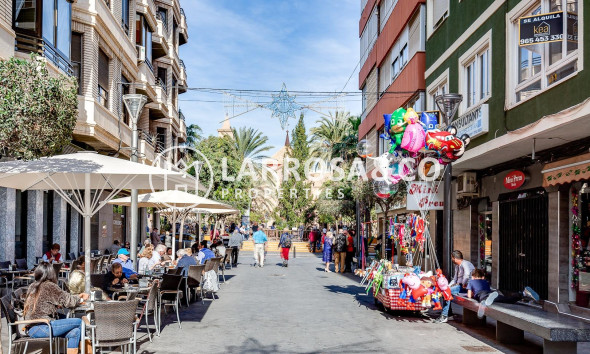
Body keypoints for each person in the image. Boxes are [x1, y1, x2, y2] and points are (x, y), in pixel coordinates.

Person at [23, 263, 88, 354]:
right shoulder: (49, 285)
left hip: (32, 328)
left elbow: (45, 302)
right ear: (51, 273)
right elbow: (68, 301)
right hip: (43, 326)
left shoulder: (33, 286)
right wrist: (81, 298)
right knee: (80, 322)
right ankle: (88, 351)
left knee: (76, 332)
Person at [467, 269, 540, 318]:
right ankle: (522, 294)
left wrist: (473, 296)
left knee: (486, 298)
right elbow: (487, 289)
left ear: (473, 277)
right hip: (490, 293)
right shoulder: (486, 282)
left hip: (482, 295)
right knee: (506, 299)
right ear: (482, 277)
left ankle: (485, 302)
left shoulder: (471, 282)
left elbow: (469, 296)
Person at [435, 250, 475, 323]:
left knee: (446, 293)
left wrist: (463, 284)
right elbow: (455, 279)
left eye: (452, 258)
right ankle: (449, 314)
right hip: (459, 286)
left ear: (455, 258)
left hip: (466, 287)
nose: (451, 259)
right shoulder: (457, 266)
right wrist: (447, 286)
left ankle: (444, 315)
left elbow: (466, 275)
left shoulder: (465, 264)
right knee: (445, 291)